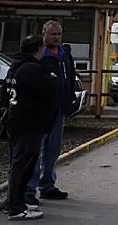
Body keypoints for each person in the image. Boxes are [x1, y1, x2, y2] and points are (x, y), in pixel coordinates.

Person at [4, 35, 59, 220]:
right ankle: (15, 207)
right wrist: (51, 78)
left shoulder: (15, 67)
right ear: (37, 49)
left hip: (15, 121)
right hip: (28, 124)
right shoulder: (31, 69)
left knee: (19, 164)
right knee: (22, 165)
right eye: (42, 48)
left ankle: (16, 202)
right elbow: (50, 89)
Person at [25, 20, 76, 206]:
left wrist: (70, 98)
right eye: (53, 34)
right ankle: (29, 188)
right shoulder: (38, 56)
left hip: (59, 109)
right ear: (44, 34)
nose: (56, 38)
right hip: (40, 110)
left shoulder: (65, 55)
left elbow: (70, 77)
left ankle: (47, 185)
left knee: (52, 150)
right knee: (34, 150)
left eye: (59, 34)